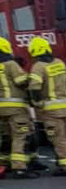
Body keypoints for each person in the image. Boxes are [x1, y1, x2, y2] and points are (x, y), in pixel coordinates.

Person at [26, 37, 66, 175]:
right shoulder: (60, 63)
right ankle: (65, 162)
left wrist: (37, 103)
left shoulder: (38, 67)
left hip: (50, 110)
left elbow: (35, 89)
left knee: (58, 138)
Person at [0, 37, 35, 178]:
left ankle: (4, 164)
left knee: (6, 136)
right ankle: (19, 167)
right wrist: (30, 77)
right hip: (15, 108)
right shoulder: (10, 64)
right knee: (20, 135)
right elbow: (21, 81)